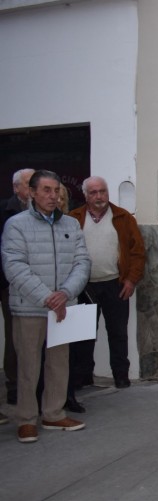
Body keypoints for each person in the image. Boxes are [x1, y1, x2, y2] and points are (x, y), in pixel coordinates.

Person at [2, 170, 91, 443]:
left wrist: (64, 294)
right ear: (31, 192)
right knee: (28, 366)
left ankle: (53, 413)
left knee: (59, 363)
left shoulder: (71, 225)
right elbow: (14, 267)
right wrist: (47, 297)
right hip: (30, 308)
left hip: (63, 308)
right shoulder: (16, 225)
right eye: (46, 190)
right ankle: (26, 419)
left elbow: (82, 263)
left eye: (56, 190)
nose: (53, 196)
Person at [68, 176, 146, 400]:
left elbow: (137, 252)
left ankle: (121, 375)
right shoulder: (74, 218)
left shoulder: (122, 217)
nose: (99, 196)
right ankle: (83, 376)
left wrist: (131, 280)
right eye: (93, 192)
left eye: (102, 191)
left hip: (116, 283)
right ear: (85, 195)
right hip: (84, 286)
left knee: (118, 333)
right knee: (83, 335)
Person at [1, 168, 34, 407]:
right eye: (28, 184)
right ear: (16, 188)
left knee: (26, 339)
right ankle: (13, 386)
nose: (33, 189)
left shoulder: (42, 212)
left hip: (34, 283)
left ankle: (25, 387)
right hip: (8, 283)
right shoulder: (5, 212)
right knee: (13, 338)